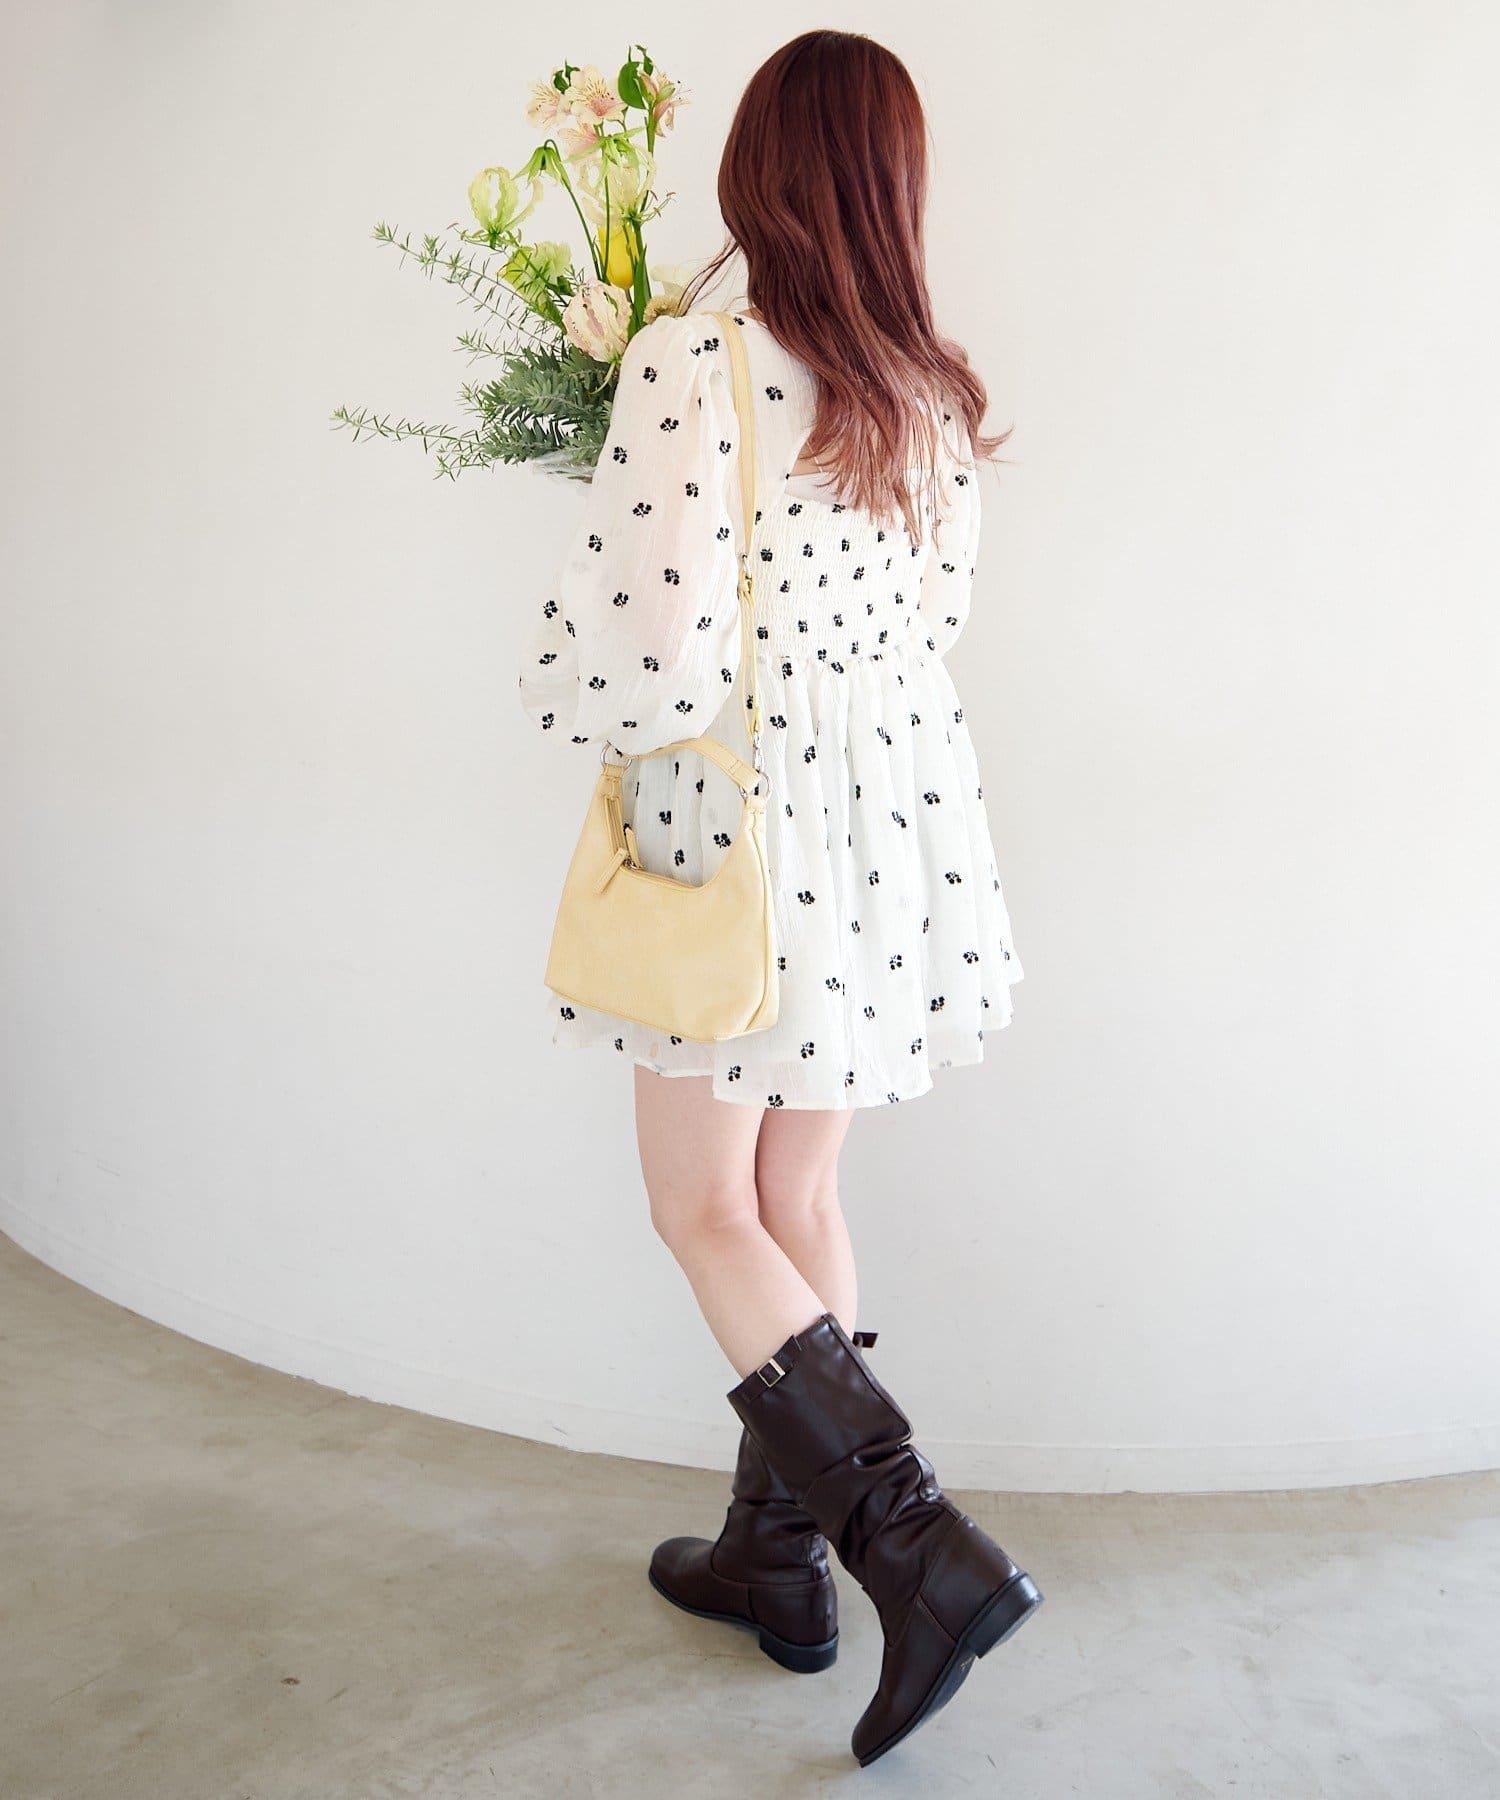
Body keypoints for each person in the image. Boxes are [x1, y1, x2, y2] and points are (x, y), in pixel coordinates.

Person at [520, 29, 1039, 1767]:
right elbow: (933, 620)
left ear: (757, 169)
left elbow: (655, 653)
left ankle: (920, 1551)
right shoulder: (931, 392)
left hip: (740, 829)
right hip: (892, 818)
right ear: (896, 189)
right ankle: (778, 1560)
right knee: (794, 1186)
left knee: (702, 1205)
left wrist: (569, 679)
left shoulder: (695, 361)